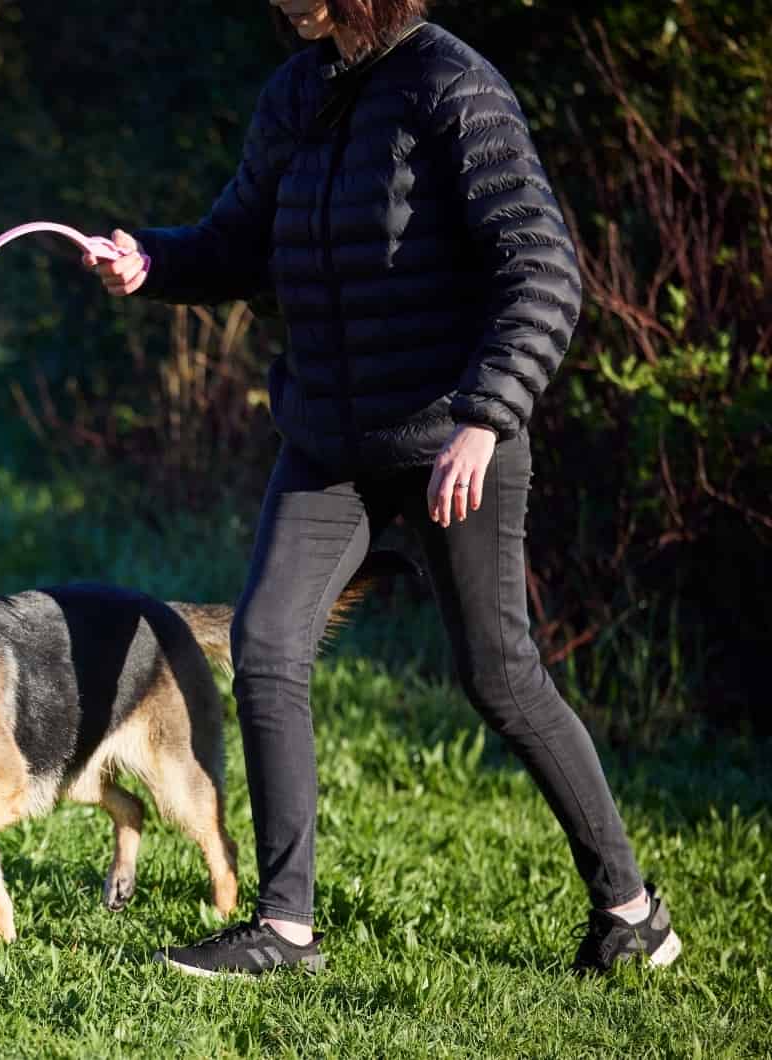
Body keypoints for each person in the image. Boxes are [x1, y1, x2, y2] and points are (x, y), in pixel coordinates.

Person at [86, 0, 681, 977]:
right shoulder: (297, 94)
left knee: (499, 675)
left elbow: (542, 271)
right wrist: (150, 261)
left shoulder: (453, 85)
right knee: (268, 648)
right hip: (328, 445)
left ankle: (629, 909)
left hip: (455, 446)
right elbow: (241, 241)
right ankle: (283, 929)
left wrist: (486, 417)